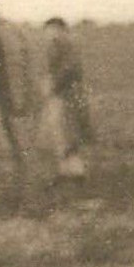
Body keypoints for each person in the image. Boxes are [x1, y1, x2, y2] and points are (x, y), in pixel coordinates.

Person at [0, 0, 37, 175]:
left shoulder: (4, 30)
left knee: (19, 136)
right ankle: (23, 174)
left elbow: (15, 65)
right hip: (7, 93)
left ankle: (28, 177)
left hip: (13, 94)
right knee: (12, 135)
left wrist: (18, 98)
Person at [40, 17, 93, 180]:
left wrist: (52, 86)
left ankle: (73, 171)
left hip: (65, 94)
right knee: (67, 132)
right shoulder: (67, 44)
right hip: (71, 93)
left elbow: (67, 70)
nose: (48, 35)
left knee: (64, 131)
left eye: (50, 30)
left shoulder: (62, 44)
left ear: (58, 29)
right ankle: (70, 169)